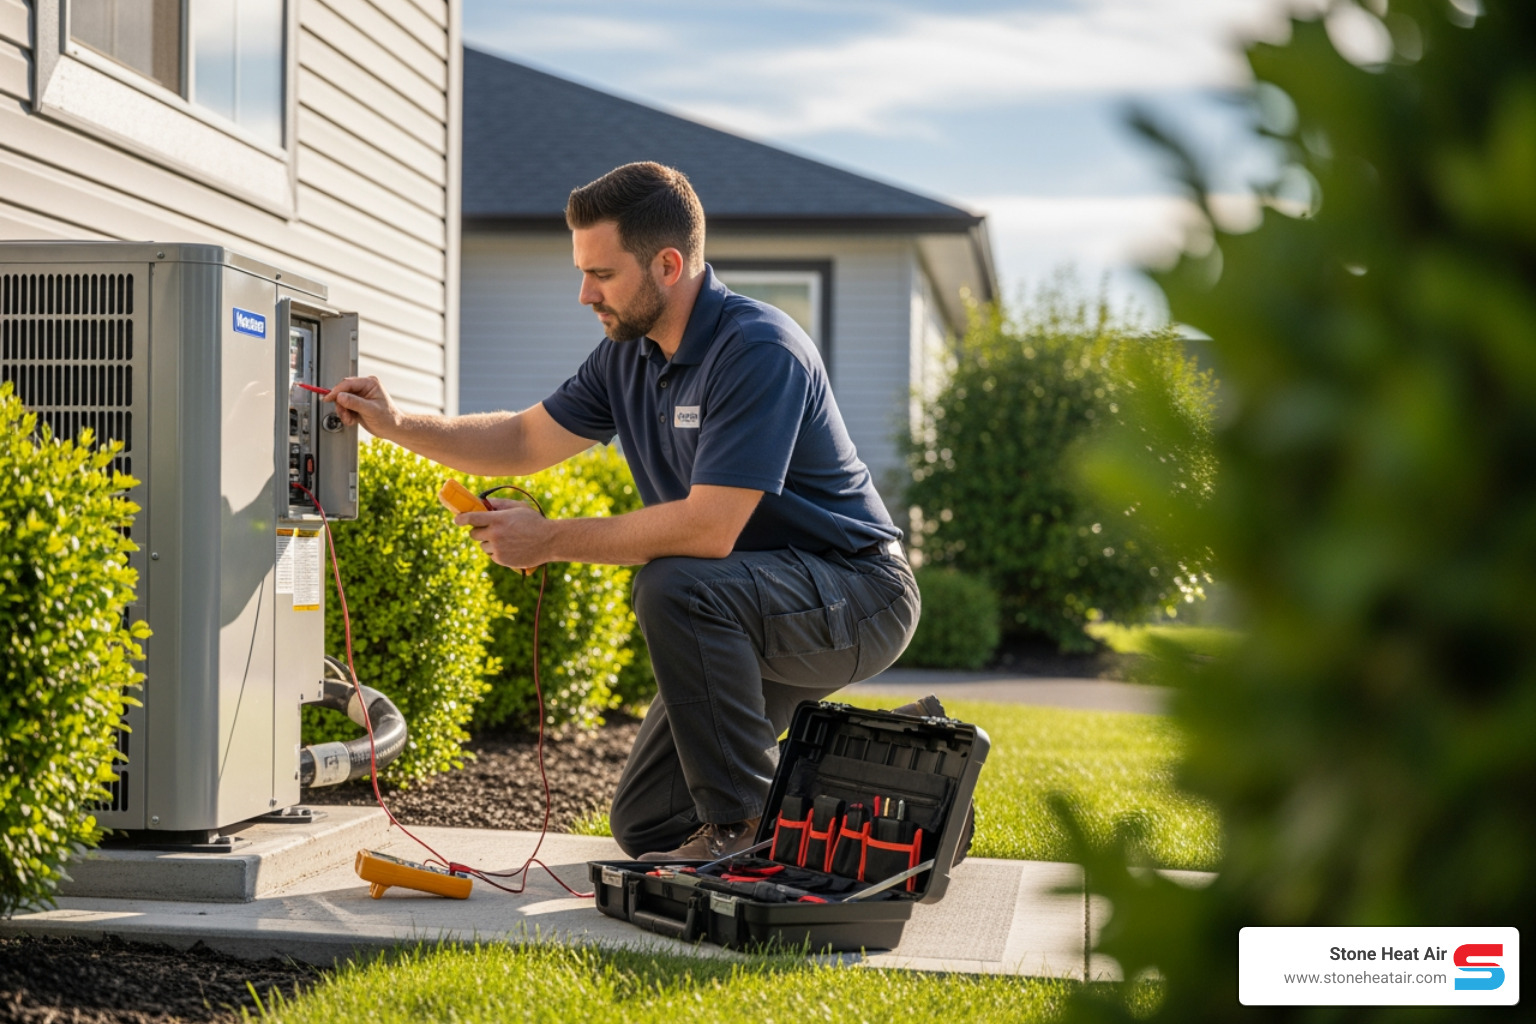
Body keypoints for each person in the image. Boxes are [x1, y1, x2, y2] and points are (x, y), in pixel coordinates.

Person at [324, 161, 922, 862]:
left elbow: (707, 529)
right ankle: (897, 797)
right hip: (753, 598)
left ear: (668, 265)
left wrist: (548, 540)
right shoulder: (627, 358)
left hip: (857, 595)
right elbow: (521, 439)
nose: (585, 294)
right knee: (649, 823)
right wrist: (397, 425)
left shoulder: (758, 349)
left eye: (601, 274)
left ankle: (741, 832)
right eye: (583, 273)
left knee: (675, 585)